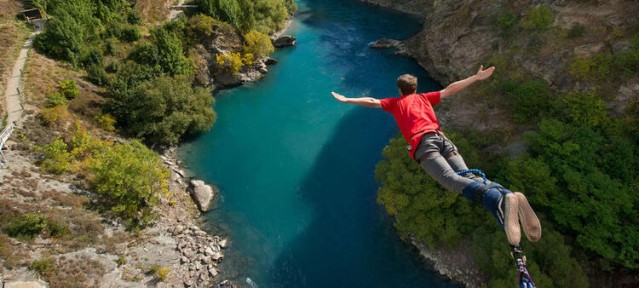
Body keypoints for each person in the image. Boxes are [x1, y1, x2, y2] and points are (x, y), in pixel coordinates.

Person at [330, 66, 541, 247]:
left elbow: (372, 101)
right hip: (443, 139)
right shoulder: (424, 98)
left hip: (424, 144)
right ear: (415, 88)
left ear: (399, 90)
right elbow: (450, 89)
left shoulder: (396, 103)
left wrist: (347, 99)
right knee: (469, 177)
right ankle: (506, 194)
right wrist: (476, 78)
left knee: (450, 180)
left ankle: (498, 201)